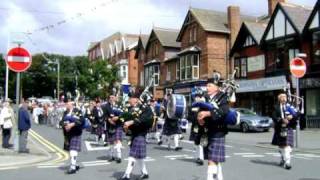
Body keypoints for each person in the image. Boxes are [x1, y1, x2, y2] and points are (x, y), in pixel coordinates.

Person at [197, 72, 229, 180]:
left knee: (211, 159)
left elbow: (224, 111)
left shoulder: (222, 97)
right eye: (207, 85)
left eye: (209, 85)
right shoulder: (205, 98)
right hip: (207, 131)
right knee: (213, 159)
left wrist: (208, 113)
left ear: (216, 87)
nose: (207, 87)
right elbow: (200, 111)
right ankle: (219, 177)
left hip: (218, 132)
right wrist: (200, 119)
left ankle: (210, 178)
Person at [120, 90, 153, 180]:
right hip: (134, 135)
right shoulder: (130, 109)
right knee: (138, 157)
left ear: (135, 99)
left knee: (132, 155)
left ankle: (127, 175)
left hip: (141, 134)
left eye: (130, 98)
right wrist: (125, 128)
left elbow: (146, 119)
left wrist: (132, 121)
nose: (129, 100)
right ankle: (145, 173)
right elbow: (125, 121)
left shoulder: (145, 108)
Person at [271, 93, 297, 170]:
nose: (284, 98)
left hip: (289, 128)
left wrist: (292, 116)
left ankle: (287, 163)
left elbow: (297, 114)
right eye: (282, 97)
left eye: (285, 97)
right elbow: (274, 117)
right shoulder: (276, 108)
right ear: (279, 99)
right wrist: (282, 120)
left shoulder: (290, 106)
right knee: (281, 147)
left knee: (287, 146)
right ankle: (283, 158)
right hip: (280, 128)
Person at [61, 101, 85, 174]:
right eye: (66, 104)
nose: (66, 105)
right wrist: (65, 126)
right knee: (71, 151)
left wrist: (72, 124)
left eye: (67, 104)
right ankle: (75, 164)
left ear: (72, 105)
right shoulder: (65, 113)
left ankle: (73, 167)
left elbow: (82, 120)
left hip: (76, 133)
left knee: (72, 150)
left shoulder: (77, 111)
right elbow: (61, 122)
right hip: (68, 134)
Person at [104, 95, 124, 163]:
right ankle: (111, 156)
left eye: (113, 97)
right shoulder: (106, 106)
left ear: (115, 98)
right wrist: (109, 119)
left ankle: (119, 157)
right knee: (111, 142)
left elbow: (124, 114)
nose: (111, 99)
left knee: (118, 141)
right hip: (110, 126)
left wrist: (118, 117)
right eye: (110, 97)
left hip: (118, 125)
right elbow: (104, 115)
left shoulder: (119, 105)